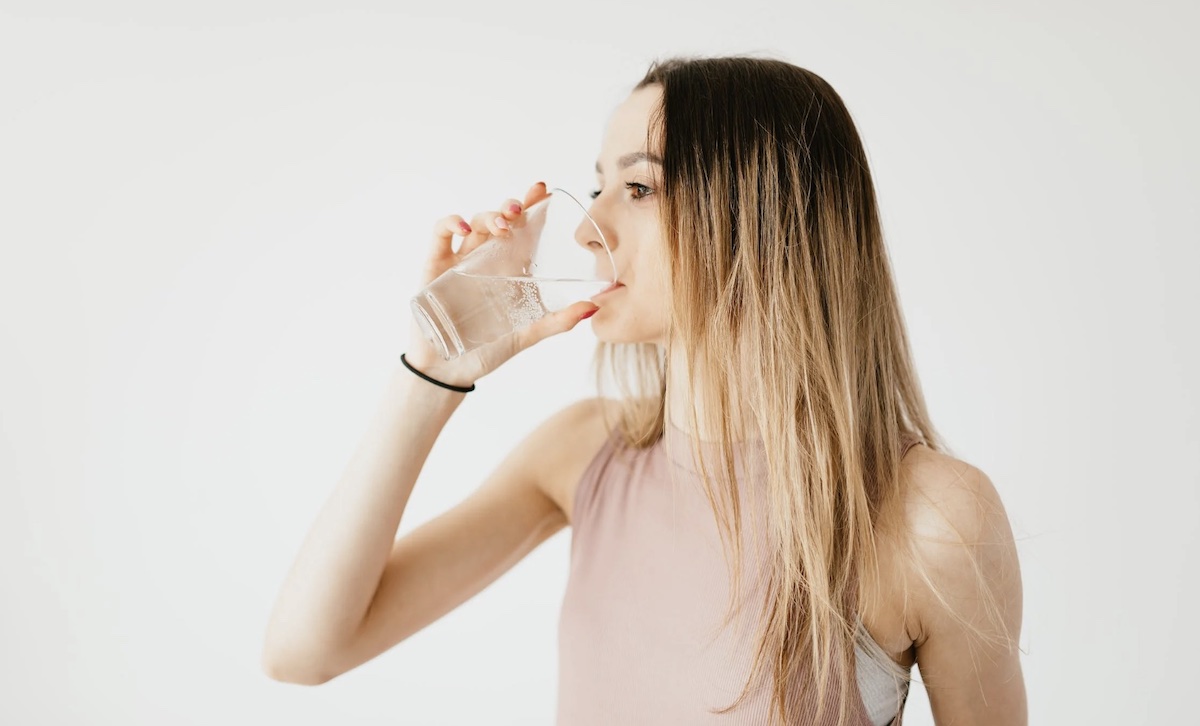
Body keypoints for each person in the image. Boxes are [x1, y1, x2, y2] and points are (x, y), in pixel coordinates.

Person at [261, 55, 1027, 725]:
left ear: (762, 213)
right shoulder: (585, 454)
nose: (586, 229)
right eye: (598, 187)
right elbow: (304, 651)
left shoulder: (932, 519)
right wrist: (433, 367)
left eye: (637, 188)